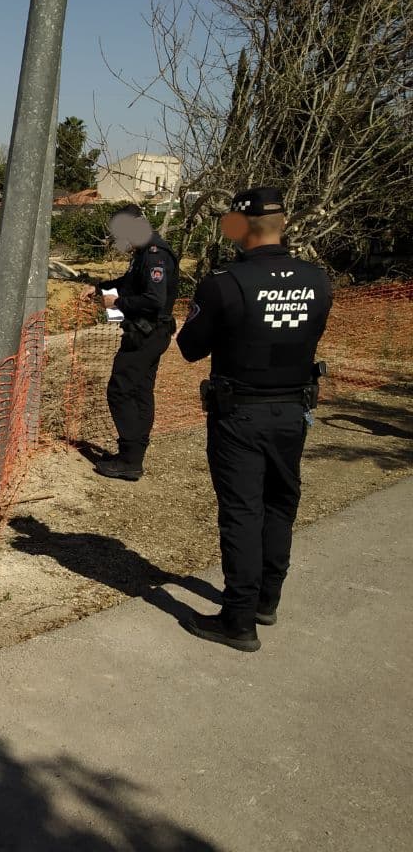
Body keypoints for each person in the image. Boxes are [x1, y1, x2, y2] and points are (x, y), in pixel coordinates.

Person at [176, 186, 332, 652]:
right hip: (294, 410)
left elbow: (189, 347)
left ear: (240, 226)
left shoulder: (224, 282)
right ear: (283, 223)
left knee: (243, 511)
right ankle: (267, 600)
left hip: (240, 412)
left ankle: (238, 620)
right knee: (280, 503)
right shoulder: (318, 279)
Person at [87, 205, 179, 480]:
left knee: (121, 391)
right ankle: (132, 455)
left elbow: (154, 299)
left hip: (147, 333)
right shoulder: (144, 253)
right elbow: (128, 282)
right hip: (150, 333)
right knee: (140, 391)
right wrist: (99, 288)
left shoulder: (154, 256)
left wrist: (118, 302)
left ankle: (130, 457)